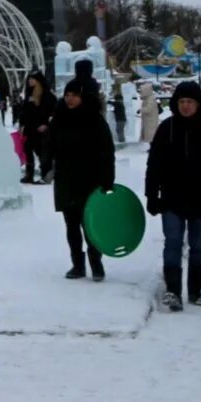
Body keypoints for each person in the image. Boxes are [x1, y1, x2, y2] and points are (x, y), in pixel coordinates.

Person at [145, 81, 201, 311]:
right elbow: (154, 164)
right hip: (172, 197)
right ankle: (173, 290)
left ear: (198, 104)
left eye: (190, 101)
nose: (186, 106)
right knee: (173, 243)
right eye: (181, 102)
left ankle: (195, 290)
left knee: (198, 245)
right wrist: (152, 194)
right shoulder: (167, 128)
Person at [50, 77, 115, 281]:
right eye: (67, 95)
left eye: (74, 95)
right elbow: (51, 144)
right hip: (66, 179)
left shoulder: (94, 120)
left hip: (89, 179)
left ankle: (96, 263)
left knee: (90, 225)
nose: (69, 99)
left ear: (82, 97)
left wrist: (107, 181)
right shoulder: (60, 118)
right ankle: (77, 263)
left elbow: (106, 152)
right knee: (71, 225)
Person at [17, 72, 56, 184]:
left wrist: (47, 124)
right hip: (30, 128)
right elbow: (25, 111)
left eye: (33, 79)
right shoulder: (29, 93)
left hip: (42, 130)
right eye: (29, 79)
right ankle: (29, 175)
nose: (30, 81)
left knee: (42, 152)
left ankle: (46, 175)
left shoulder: (47, 96)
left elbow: (54, 113)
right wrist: (22, 124)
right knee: (28, 149)